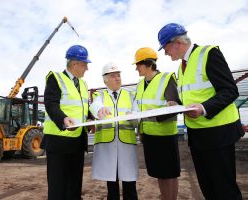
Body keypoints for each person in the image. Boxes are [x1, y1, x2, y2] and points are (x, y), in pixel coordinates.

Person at [158, 23, 245, 200]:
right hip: (198, 136)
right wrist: (177, 103)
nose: (166, 53)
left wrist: (204, 108)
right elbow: (192, 95)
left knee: (224, 189)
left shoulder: (208, 54)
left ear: (177, 43)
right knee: (208, 187)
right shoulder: (181, 67)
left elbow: (229, 90)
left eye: (165, 48)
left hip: (218, 133)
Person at [41, 44, 91, 200]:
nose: (86, 69)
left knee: (75, 185)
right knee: (58, 187)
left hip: (77, 141)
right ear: (75, 63)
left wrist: (92, 116)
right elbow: (51, 103)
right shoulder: (55, 78)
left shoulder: (83, 84)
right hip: (58, 141)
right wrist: (63, 119)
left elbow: (83, 108)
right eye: (85, 64)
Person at [133, 47, 181, 200]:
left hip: (165, 136)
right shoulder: (140, 85)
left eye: (138, 65)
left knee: (170, 174)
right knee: (160, 174)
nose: (136, 68)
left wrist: (155, 115)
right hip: (149, 136)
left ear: (148, 64)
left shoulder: (166, 79)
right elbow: (139, 109)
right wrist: (140, 129)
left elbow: (175, 106)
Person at [90, 62, 139, 200]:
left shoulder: (130, 95)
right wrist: (99, 109)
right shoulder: (100, 95)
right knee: (112, 185)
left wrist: (134, 116)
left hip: (126, 144)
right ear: (105, 79)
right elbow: (94, 106)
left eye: (118, 75)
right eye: (113, 76)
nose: (117, 78)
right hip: (108, 146)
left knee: (130, 184)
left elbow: (137, 114)